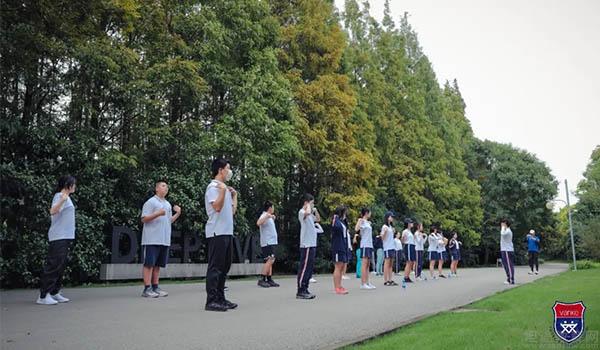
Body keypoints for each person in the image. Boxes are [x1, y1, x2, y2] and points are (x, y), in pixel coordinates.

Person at [204, 158, 238, 312]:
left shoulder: (224, 188)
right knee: (215, 267)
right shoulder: (213, 187)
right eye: (228, 168)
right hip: (216, 232)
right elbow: (216, 207)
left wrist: (234, 196)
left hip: (227, 232)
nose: (229, 171)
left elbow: (231, 211)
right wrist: (223, 190)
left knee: (225, 266)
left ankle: (220, 298)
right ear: (220, 170)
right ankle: (211, 301)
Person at [37, 175, 77, 305]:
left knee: (60, 265)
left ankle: (54, 292)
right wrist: (62, 200)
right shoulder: (60, 196)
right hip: (58, 236)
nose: (75, 186)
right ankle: (44, 296)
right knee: (54, 265)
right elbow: (52, 211)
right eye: (73, 184)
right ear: (67, 185)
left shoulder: (67, 197)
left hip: (65, 236)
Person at [140, 180, 182, 298]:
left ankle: (155, 287)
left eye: (167, 187)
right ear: (157, 188)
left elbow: (168, 221)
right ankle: (147, 289)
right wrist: (157, 213)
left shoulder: (168, 204)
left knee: (158, 264)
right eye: (163, 186)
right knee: (149, 264)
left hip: (163, 239)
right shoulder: (151, 202)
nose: (166, 188)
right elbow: (143, 219)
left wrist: (178, 214)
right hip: (151, 238)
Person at [297, 194, 320, 299]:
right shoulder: (302, 212)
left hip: (312, 243)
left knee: (309, 268)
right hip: (306, 244)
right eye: (312, 202)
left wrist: (315, 210)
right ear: (306, 202)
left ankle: (305, 288)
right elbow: (306, 213)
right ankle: (300, 290)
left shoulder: (310, 214)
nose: (313, 205)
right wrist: (309, 206)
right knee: (304, 267)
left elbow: (318, 219)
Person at [257, 201, 280, 288]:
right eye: (273, 207)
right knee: (270, 259)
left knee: (270, 260)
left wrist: (270, 217)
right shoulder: (265, 214)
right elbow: (258, 223)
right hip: (267, 242)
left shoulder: (269, 216)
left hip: (271, 241)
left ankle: (269, 279)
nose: (273, 209)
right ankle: (262, 279)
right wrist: (267, 216)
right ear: (270, 208)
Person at [355, 208, 375, 290]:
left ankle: (367, 282)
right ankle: (363, 283)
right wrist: (360, 221)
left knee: (368, 264)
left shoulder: (368, 222)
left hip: (369, 245)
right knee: (364, 264)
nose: (370, 214)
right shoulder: (362, 221)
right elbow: (356, 229)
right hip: (364, 244)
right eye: (369, 212)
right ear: (366, 213)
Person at [331, 206, 349, 295]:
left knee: (342, 266)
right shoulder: (336, 220)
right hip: (337, 246)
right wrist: (336, 216)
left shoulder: (342, 222)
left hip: (343, 245)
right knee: (338, 266)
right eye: (345, 212)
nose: (346, 214)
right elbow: (335, 226)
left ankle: (339, 285)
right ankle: (336, 287)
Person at [381, 211, 398, 286]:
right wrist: (384, 233)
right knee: (386, 264)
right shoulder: (384, 227)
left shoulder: (391, 227)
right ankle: (386, 280)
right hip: (387, 247)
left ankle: (390, 279)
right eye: (391, 217)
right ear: (388, 217)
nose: (392, 218)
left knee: (391, 264)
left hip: (392, 247)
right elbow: (382, 238)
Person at [500, 219, 515, 285]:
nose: (501, 225)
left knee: (509, 265)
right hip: (504, 249)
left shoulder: (508, 231)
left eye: (502, 224)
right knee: (506, 265)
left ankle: (511, 279)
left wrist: (503, 227)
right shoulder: (506, 230)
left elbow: (502, 234)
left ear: (505, 224)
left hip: (507, 250)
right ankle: (509, 278)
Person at [401, 219, 416, 283]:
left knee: (412, 262)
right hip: (408, 246)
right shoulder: (405, 231)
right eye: (411, 222)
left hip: (412, 246)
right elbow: (402, 239)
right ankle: (405, 277)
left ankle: (407, 276)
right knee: (409, 262)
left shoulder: (410, 231)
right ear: (408, 224)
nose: (412, 223)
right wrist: (404, 242)